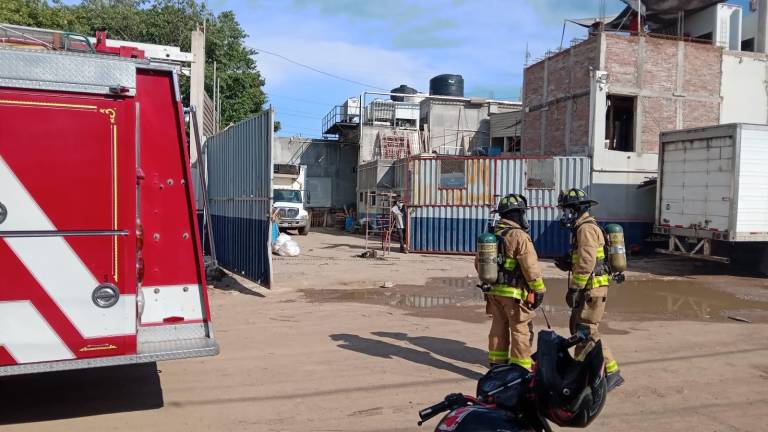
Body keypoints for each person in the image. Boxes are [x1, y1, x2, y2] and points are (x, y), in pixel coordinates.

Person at [556, 188, 624, 391]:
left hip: (591, 288)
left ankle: (611, 371)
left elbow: (587, 261)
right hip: (590, 286)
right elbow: (584, 259)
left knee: (587, 331)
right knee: (578, 330)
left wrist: (575, 288)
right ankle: (583, 368)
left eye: (567, 210)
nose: (565, 215)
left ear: (575, 210)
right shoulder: (584, 227)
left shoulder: (585, 229)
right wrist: (569, 262)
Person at [484, 194, 545, 369]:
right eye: (522, 213)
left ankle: (497, 363)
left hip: (494, 292)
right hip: (515, 293)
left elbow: (478, 263)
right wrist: (539, 289)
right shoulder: (519, 236)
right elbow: (530, 266)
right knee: (520, 329)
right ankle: (520, 367)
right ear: (516, 215)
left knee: (498, 327)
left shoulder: (492, 234)